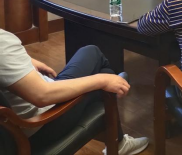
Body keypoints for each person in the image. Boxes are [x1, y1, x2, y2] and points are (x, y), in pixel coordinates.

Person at [0, 33, 149, 154]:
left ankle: (118, 140)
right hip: (42, 123)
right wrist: (102, 80)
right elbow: (42, 96)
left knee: (91, 52)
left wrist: (27, 61)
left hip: (16, 125)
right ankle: (118, 142)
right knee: (103, 77)